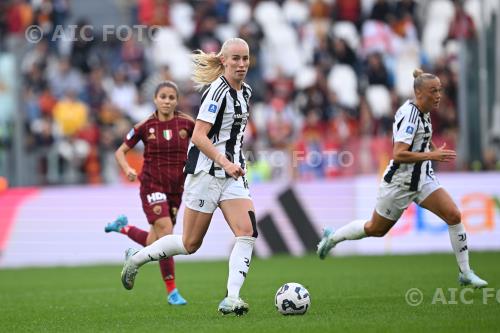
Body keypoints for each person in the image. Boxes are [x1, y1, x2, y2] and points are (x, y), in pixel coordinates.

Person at [120, 38, 258, 316]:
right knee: (189, 244)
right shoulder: (216, 93)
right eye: (236, 59)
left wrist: (234, 163)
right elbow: (198, 135)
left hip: (232, 175)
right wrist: (223, 160)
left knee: (247, 232)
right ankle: (136, 259)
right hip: (206, 173)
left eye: (245, 58)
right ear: (224, 61)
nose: (241, 64)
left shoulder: (246, 92)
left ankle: (232, 298)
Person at [317, 69, 488, 288]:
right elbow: (399, 153)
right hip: (400, 183)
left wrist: (433, 148)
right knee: (375, 229)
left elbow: (423, 135)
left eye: (439, 91)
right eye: (433, 91)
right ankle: (333, 237)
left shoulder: (424, 109)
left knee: (454, 215)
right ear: (419, 93)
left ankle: (465, 272)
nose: (438, 96)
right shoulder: (410, 114)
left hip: (423, 179)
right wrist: (432, 155)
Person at [105, 81, 194, 305]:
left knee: (154, 242)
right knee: (166, 233)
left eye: (171, 97)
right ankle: (172, 291)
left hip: (176, 188)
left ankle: (123, 228)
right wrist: (127, 169)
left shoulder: (187, 123)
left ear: (177, 100)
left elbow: (205, 140)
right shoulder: (145, 126)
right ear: (155, 99)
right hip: (151, 185)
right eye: (163, 96)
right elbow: (120, 152)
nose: (167, 101)